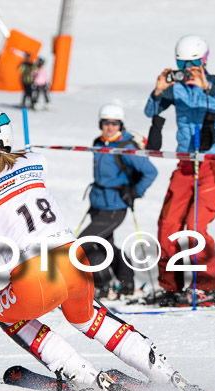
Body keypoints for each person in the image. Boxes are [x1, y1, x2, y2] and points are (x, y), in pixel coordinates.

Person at [0, 105, 201, 391]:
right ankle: (167, 375)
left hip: (36, 274)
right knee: (89, 319)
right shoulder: (33, 160)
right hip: (75, 261)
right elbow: (4, 169)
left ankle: (84, 377)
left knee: (3, 314)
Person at [143, 35, 215, 306]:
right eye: (182, 63)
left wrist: (208, 87)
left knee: (195, 225)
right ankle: (171, 288)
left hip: (214, 163)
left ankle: (204, 288)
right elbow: (150, 110)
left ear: (204, 61)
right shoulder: (176, 88)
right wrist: (158, 91)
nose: (188, 68)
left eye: (193, 63)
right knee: (167, 225)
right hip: (186, 165)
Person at [80, 103, 158, 299]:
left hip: (116, 206)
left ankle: (103, 285)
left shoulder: (126, 147)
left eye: (115, 123)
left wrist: (135, 191)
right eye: (106, 123)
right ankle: (126, 281)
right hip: (98, 204)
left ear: (121, 125)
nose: (110, 127)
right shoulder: (98, 142)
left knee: (83, 243)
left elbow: (151, 171)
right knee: (104, 245)